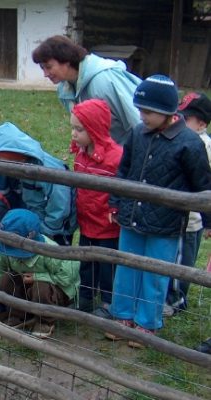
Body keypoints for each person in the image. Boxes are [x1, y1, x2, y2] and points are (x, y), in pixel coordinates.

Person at [105, 75, 211, 348]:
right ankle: (122, 316)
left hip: (166, 223)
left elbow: (203, 186)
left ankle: (147, 324)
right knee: (127, 267)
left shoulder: (189, 143)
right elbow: (124, 171)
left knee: (155, 273)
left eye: (148, 111)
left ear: (168, 112)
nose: (143, 116)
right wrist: (116, 201)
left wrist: (209, 221)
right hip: (131, 216)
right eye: (141, 110)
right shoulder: (137, 134)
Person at [0, 209, 80, 339]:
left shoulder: (49, 250)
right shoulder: (4, 248)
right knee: (6, 279)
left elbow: (68, 275)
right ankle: (18, 315)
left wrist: (38, 277)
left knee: (41, 287)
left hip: (54, 293)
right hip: (26, 289)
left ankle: (45, 321)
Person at [31, 35, 142, 145]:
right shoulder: (64, 91)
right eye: (42, 68)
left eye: (49, 67)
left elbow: (139, 120)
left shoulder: (104, 80)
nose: (45, 74)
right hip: (101, 155)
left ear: (66, 60)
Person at [69, 99, 123, 317]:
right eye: (72, 128)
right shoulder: (81, 156)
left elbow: (122, 189)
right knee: (86, 260)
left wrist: (115, 211)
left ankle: (109, 301)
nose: (74, 133)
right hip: (87, 220)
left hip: (108, 223)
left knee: (107, 265)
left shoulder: (115, 158)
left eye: (79, 129)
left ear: (95, 128)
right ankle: (86, 296)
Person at [0, 122, 77, 245]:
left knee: (56, 256)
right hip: (38, 222)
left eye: (3, 160)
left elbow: (60, 202)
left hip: (57, 228)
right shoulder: (20, 169)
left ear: (14, 154)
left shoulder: (46, 170)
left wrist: (49, 230)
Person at [165, 92, 211, 315]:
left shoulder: (201, 146)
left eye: (187, 118)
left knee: (182, 260)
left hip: (192, 218)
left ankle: (176, 299)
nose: (180, 121)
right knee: (174, 256)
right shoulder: (184, 140)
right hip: (178, 215)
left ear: (201, 124)